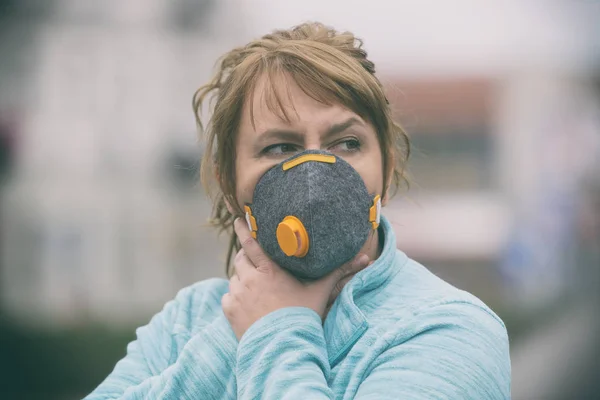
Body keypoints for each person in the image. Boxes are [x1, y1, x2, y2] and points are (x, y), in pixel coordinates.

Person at [85, 22, 510, 399]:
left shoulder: (449, 329)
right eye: (280, 147)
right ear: (230, 185)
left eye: (346, 143)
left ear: (387, 166)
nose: (314, 175)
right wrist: (232, 336)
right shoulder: (190, 319)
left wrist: (274, 329)